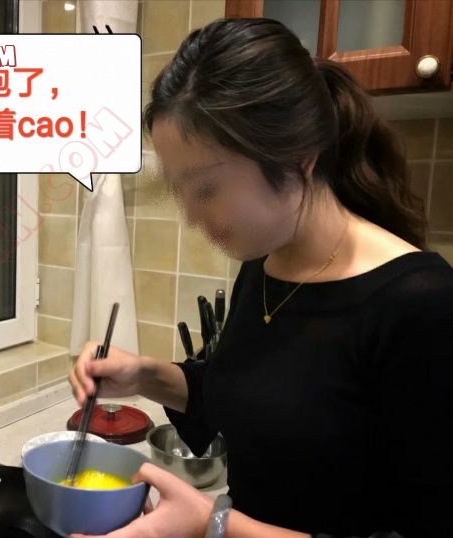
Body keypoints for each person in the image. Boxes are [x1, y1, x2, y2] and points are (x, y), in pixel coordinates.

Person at [68, 17, 453, 538]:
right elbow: (250, 404)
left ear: (297, 157)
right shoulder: (266, 265)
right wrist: (145, 376)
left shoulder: (422, 305)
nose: (192, 217)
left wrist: (215, 524)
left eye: (206, 189)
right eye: (181, 193)